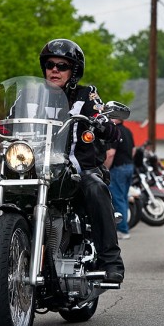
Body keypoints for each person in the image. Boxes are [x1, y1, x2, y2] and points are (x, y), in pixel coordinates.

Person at [38, 38, 125, 284]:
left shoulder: (86, 95)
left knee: (96, 188)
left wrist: (101, 122)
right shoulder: (32, 96)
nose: (54, 70)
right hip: (37, 169)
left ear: (73, 71)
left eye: (62, 66)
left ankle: (111, 261)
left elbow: (107, 124)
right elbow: (11, 119)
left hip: (77, 170)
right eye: (50, 65)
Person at [104, 117, 136, 240]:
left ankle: (122, 230)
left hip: (118, 168)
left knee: (117, 199)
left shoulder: (114, 130)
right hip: (129, 166)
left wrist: (105, 170)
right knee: (124, 198)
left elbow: (110, 153)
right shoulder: (128, 131)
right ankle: (125, 227)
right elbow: (134, 150)